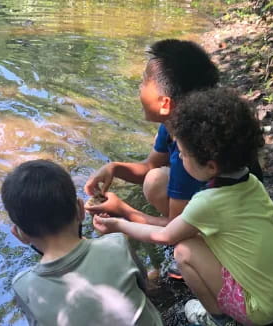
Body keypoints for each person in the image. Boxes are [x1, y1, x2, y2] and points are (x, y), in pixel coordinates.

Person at [92, 88, 273, 326]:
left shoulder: (208, 202)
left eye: (182, 154)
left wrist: (119, 224)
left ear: (211, 166)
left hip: (260, 310)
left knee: (183, 251)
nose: (180, 160)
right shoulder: (250, 182)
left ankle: (217, 318)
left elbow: (164, 235)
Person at [84, 39, 263, 226]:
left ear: (165, 104)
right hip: (240, 203)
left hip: (231, 226)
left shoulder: (191, 156)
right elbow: (151, 165)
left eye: (144, 81)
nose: (139, 87)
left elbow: (172, 226)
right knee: (155, 176)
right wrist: (114, 168)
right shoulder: (180, 123)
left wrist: (122, 211)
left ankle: (205, 244)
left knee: (156, 183)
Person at [1, 160, 163, 326]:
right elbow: (144, 286)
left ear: (19, 234)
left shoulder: (23, 286)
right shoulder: (116, 244)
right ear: (80, 209)